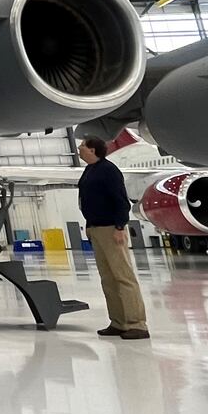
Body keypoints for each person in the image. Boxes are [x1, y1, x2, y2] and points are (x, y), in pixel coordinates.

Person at [77, 135, 149, 340]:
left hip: (111, 228)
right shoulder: (90, 170)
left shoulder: (109, 171)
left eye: (82, 146)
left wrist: (119, 227)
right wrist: (89, 225)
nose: (79, 149)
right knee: (108, 278)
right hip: (96, 228)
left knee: (123, 276)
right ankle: (118, 321)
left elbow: (121, 201)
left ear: (93, 150)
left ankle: (137, 324)